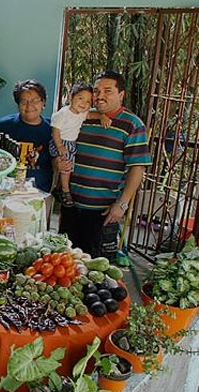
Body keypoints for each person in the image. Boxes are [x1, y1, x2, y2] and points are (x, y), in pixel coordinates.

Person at [59, 70, 152, 260]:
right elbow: (61, 146)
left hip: (102, 212)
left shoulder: (132, 125)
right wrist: (58, 163)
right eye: (96, 90)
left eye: (107, 91)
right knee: (65, 262)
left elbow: (138, 167)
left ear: (121, 94)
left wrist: (122, 204)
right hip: (71, 205)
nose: (100, 96)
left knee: (96, 268)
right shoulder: (81, 118)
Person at [50, 83, 111, 207]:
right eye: (80, 98)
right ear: (71, 97)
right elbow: (55, 132)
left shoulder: (82, 114)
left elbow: (91, 115)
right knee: (66, 168)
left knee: (68, 168)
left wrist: (102, 116)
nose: (84, 103)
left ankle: (58, 188)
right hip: (61, 143)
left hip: (71, 144)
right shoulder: (62, 113)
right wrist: (60, 146)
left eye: (88, 101)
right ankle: (65, 191)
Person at [0, 79, 53, 193]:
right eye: (24, 101)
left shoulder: (52, 130)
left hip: (40, 192)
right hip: (6, 191)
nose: (29, 106)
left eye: (35, 101)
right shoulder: (4, 126)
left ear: (43, 103)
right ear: (18, 104)